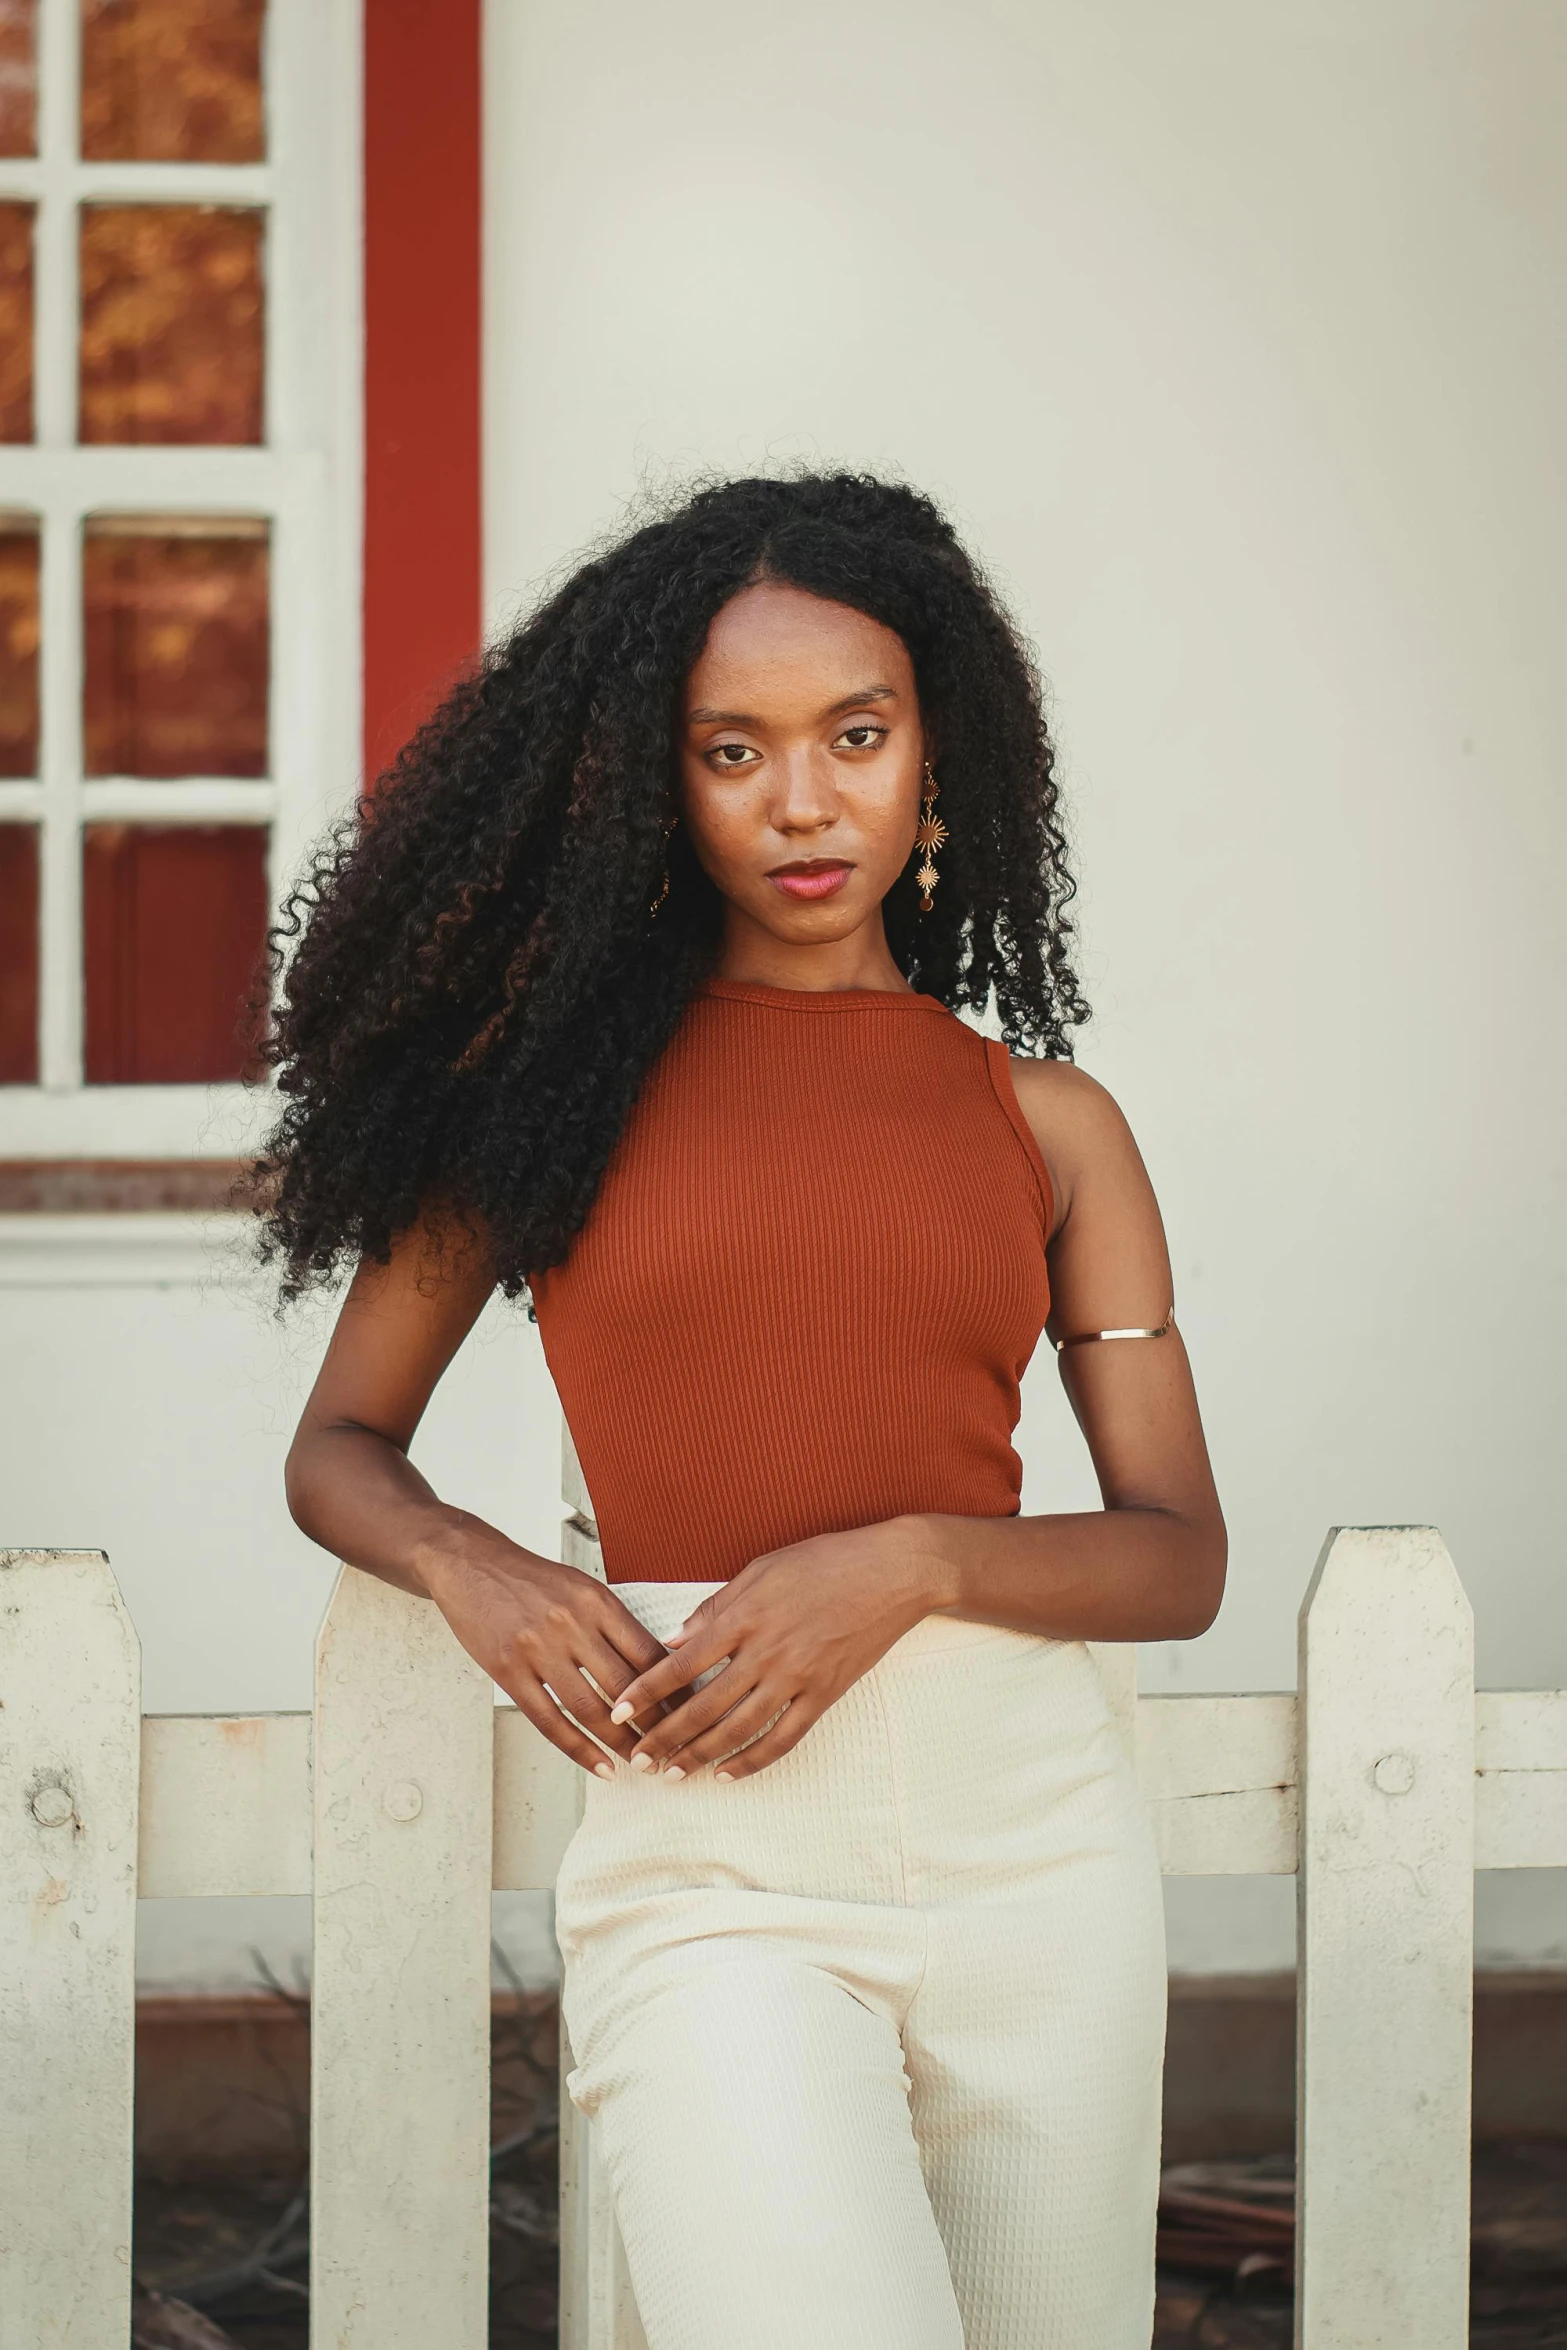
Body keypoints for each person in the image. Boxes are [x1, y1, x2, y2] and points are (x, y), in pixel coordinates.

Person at [272, 472, 1226, 2350]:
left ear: (936, 754)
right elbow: (337, 1446)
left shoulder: (1048, 1126)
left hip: (1036, 1855)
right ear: (653, 783)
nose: (804, 802)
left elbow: (1177, 1555)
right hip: (711, 1866)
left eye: (855, 736)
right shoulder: (538, 1119)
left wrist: (910, 1562)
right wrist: (474, 1568)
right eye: (734, 750)